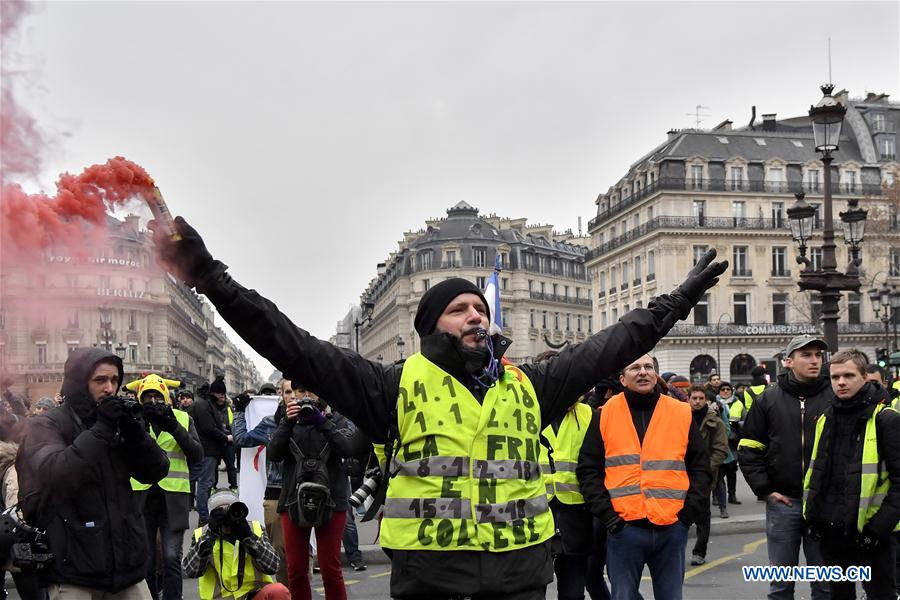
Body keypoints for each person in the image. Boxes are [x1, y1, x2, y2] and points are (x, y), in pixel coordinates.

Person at [149, 216, 726, 599]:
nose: (477, 315)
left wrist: (676, 301)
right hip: (431, 582)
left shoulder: (532, 384)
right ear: (429, 327)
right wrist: (210, 278)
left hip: (522, 577)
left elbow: (615, 343)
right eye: (459, 309)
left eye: (481, 307)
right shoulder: (389, 387)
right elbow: (287, 340)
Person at [15, 347, 169, 597]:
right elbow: (55, 473)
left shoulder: (115, 422)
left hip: (126, 566)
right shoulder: (47, 424)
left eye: (115, 380)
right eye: (100, 380)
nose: (109, 388)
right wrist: (102, 429)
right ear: (79, 382)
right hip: (74, 568)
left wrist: (135, 433)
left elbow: (156, 470)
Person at [576, 355, 712, 600]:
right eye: (635, 368)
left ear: (655, 375)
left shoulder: (681, 413)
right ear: (622, 379)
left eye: (649, 367)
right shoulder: (604, 415)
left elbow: (700, 467)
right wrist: (609, 518)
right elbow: (588, 470)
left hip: (672, 528)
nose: (643, 372)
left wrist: (687, 515)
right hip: (624, 529)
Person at [738, 334, 833, 600]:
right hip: (784, 502)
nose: (815, 361)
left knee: (825, 585)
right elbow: (748, 448)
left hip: (823, 503)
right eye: (807, 355)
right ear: (788, 361)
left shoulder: (834, 395)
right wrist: (766, 489)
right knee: (780, 585)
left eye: (818, 355)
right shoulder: (768, 399)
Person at [803, 349, 900, 600]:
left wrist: (877, 529)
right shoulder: (826, 417)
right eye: (835, 377)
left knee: (880, 594)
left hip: (872, 532)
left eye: (848, 375)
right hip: (833, 530)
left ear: (864, 377)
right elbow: (818, 472)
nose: (841, 382)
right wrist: (814, 517)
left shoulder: (886, 419)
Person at [266, 385, 367, 600]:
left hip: (332, 498)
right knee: (296, 570)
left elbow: (349, 449)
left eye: (310, 391)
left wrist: (323, 423)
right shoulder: (286, 419)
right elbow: (273, 454)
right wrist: (287, 421)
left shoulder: (338, 418)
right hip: (293, 498)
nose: (305, 397)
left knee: (330, 569)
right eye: (300, 391)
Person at [126, 374, 204, 600]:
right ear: (140, 399)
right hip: (142, 498)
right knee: (147, 560)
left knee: (171, 557)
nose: (152, 401)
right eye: (147, 397)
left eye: (157, 397)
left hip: (174, 499)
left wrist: (172, 425)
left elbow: (197, 454)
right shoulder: (134, 420)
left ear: (167, 398)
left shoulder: (182, 418)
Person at [545, 398, 610, 600]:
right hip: (535, 512)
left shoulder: (589, 415)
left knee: (572, 593)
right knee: (531, 589)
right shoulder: (530, 409)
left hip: (576, 515)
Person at [232, 381, 290, 586]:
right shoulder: (270, 423)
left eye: (296, 391)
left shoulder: (312, 418)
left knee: (302, 554)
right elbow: (241, 439)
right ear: (280, 395)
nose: (292, 396)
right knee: (280, 551)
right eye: (287, 392)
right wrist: (239, 411)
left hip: (304, 493)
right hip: (276, 493)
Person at [183, 489, 289, 600]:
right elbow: (191, 571)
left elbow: (274, 566)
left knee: (279, 591)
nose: (227, 517)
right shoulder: (202, 535)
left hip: (253, 595)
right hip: (220, 598)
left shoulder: (253, 529)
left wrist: (248, 538)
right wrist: (210, 536)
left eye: (230, 510)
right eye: (220, 512)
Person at [686, 385, 728, 565]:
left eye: (701, 398)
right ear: (688, 399)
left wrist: (705, 469)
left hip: (704, 474)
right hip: (682, 473)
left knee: (703, 514)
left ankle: (699, 552)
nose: (697, 401)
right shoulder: (682, 417)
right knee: (681, 515)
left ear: (706, 400)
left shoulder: (715, 421)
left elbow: (720, 449)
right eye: (694, 398)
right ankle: (676, 551)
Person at [193, 377, 234, 525]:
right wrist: (225, 437)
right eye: (221, 395)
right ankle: (203, 517)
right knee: (205, 483)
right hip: (207, 450)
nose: (222, 398)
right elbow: (209, 428)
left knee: (206, 482)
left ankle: (204, 514)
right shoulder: (203, 405)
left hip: (208, 449)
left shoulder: (206, 404)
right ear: (215, 393)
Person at [210, 377, 238, 491]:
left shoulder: (230, 408)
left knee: (231, 465)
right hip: (214, 441)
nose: (221, 398)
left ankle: (234, 486)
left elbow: (235, 424)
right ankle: (213, 486)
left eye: (223, 395)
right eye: (219, 395)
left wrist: (229, 432)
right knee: (213, 466)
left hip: (229, 442)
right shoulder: (209, 408)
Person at [714, 382, 740, 507]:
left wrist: (738, 424)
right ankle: (716, 497)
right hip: (718, 443)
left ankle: (732, 495)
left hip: (732, 442)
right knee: (717, 472)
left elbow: (746, 419)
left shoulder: (738, 403)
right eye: (723, 389)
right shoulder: (714, 404)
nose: (725, 391)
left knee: (731, 471)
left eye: (728, 389)